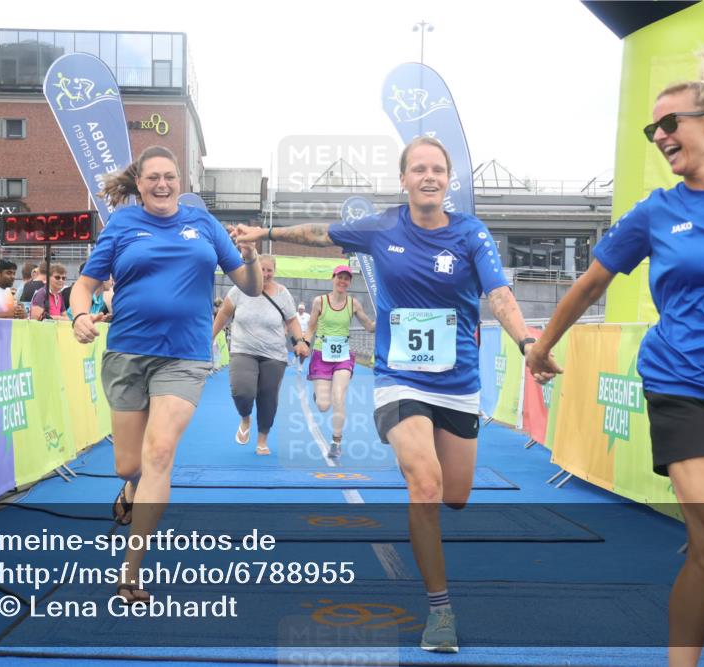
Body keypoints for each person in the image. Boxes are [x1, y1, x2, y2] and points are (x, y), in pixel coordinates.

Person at [525, 50, 704, 667]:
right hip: (680, 385)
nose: (659, 138)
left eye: (669, 124)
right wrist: (541, 347)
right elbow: (590, 283)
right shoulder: (657, 210)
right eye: (652, 130)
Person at [233, 136, 543, 653]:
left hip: (458, 381)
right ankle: (439, 610)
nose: (429, 176)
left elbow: (500, 294)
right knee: (424, 483)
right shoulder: (382, 227)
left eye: (437, 169)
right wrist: (266, 230)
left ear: (447, 180)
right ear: (403, 179)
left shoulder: (471, 233)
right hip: (401, 379)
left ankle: (430, 485)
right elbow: (317, 234)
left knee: (456, 495)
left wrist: (527, 340)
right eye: (418, 168)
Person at [69, 146, 262, 605]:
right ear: (139, 183)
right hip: (128, 354)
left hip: (185, 356)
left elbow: (249, 286)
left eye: (170, 177)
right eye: (153, 177)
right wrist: (79, 313)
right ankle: (131, 486)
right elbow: (86, 284)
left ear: (181, 182)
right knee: (129, 464)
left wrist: (250, 257)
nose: (162, 184)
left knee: (159, 454)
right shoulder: (122, 225)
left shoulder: (205, 226)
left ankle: (129, 573)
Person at [211, 255, 309, 455]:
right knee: (242, 391)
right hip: (243, 350)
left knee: (268, 398)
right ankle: (245, 417)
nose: (265, 274)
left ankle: (262, 440)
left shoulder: (283, 294)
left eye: (269, 270)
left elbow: (291, 321)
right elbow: (223, 314)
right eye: (261, 269)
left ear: (275, 271)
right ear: (253, 269)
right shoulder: (239, 290)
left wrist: (300, 341)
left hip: (274, 355)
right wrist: (209, 337)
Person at [302, 265, 375, 458]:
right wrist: (304, 343)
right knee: (324, 406)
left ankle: (336, 441)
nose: (343, 281)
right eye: (339, 277)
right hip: (321, 354)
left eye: (346, 279)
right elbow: (311, 328)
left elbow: (369, 327)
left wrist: (387, 318)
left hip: (342, 355)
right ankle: (319, 395)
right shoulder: (320, 302)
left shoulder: (353, 304)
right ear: (333, 278)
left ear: (349, 282)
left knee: (339, 396)